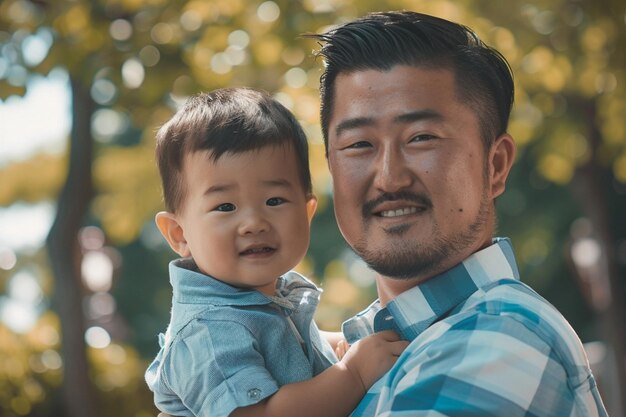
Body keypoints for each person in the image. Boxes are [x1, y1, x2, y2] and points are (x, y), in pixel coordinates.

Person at [307, 11, 608, 416]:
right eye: (359, 144)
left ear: (496, 165)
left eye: (421, 138)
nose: (389, 178)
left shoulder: (499, 339)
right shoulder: (355, 359)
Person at [144, 87, 408, 417]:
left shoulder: (266, 298)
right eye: (225, 206)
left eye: (274, 201)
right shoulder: (208, 330)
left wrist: (336, 346)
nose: (254, 223)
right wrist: (352, 373)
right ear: (180, 234)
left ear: (307, 213)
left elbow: (286, 352)